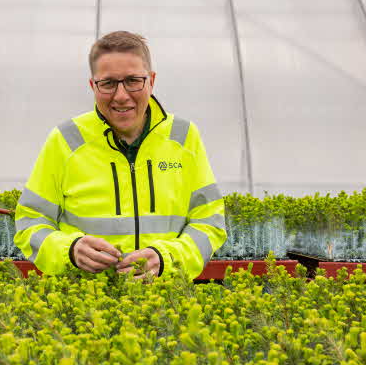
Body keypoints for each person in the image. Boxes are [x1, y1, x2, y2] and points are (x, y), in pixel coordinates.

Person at [14, 31, 226, 280]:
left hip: (166, 308)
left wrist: (167, 259)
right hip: (84, 310)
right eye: (108, 83)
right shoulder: (65, 140)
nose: (121, 95)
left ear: (152, 81)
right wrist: (70, 251)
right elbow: (30, 224)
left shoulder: (184, 137)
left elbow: (209, 223)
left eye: (133, 80)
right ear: (93, 85)